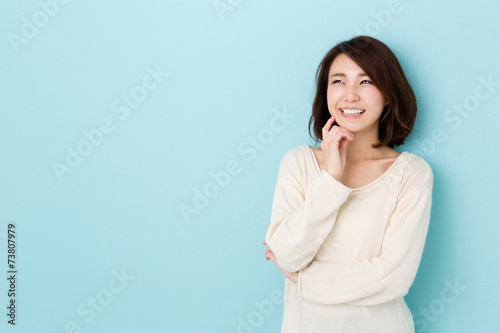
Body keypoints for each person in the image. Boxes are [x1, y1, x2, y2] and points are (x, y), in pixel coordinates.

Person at [262, 35, 434, 332]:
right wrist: (330, 180)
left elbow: (393, 277)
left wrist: (306, 279)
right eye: (338, 81)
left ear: (389, 94)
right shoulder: (298, 163)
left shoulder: (411, 174)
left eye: (366, 82)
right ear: (325, 92)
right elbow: (288, 255)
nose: (350, 95)